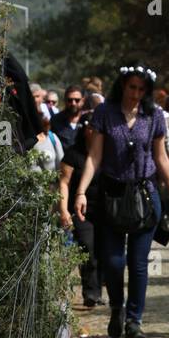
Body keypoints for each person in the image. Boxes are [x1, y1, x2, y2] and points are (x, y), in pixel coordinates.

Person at [74, 63, 169, 338]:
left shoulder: (153, 115)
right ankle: (117, 307)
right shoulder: (105, 113)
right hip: (113, 194)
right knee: (114, 261)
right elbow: (94, 156)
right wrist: (81, 191)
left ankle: (134, 320)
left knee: (139, 262)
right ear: (123, 86)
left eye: (142, 89)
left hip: (144, 193)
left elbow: (161, 156)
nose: (136, 93)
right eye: (132, 87)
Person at [59, 121, 103, 307]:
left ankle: (98, 289)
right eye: (90, 127)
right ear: (84, 130)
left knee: (101, 251)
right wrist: (63, 210)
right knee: (88, 247)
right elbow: (63, 183)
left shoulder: (106, 153)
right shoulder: (73, 154)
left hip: (103, 209)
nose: (93, 131)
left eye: (96, 127)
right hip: (80, 211)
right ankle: (90, 292)